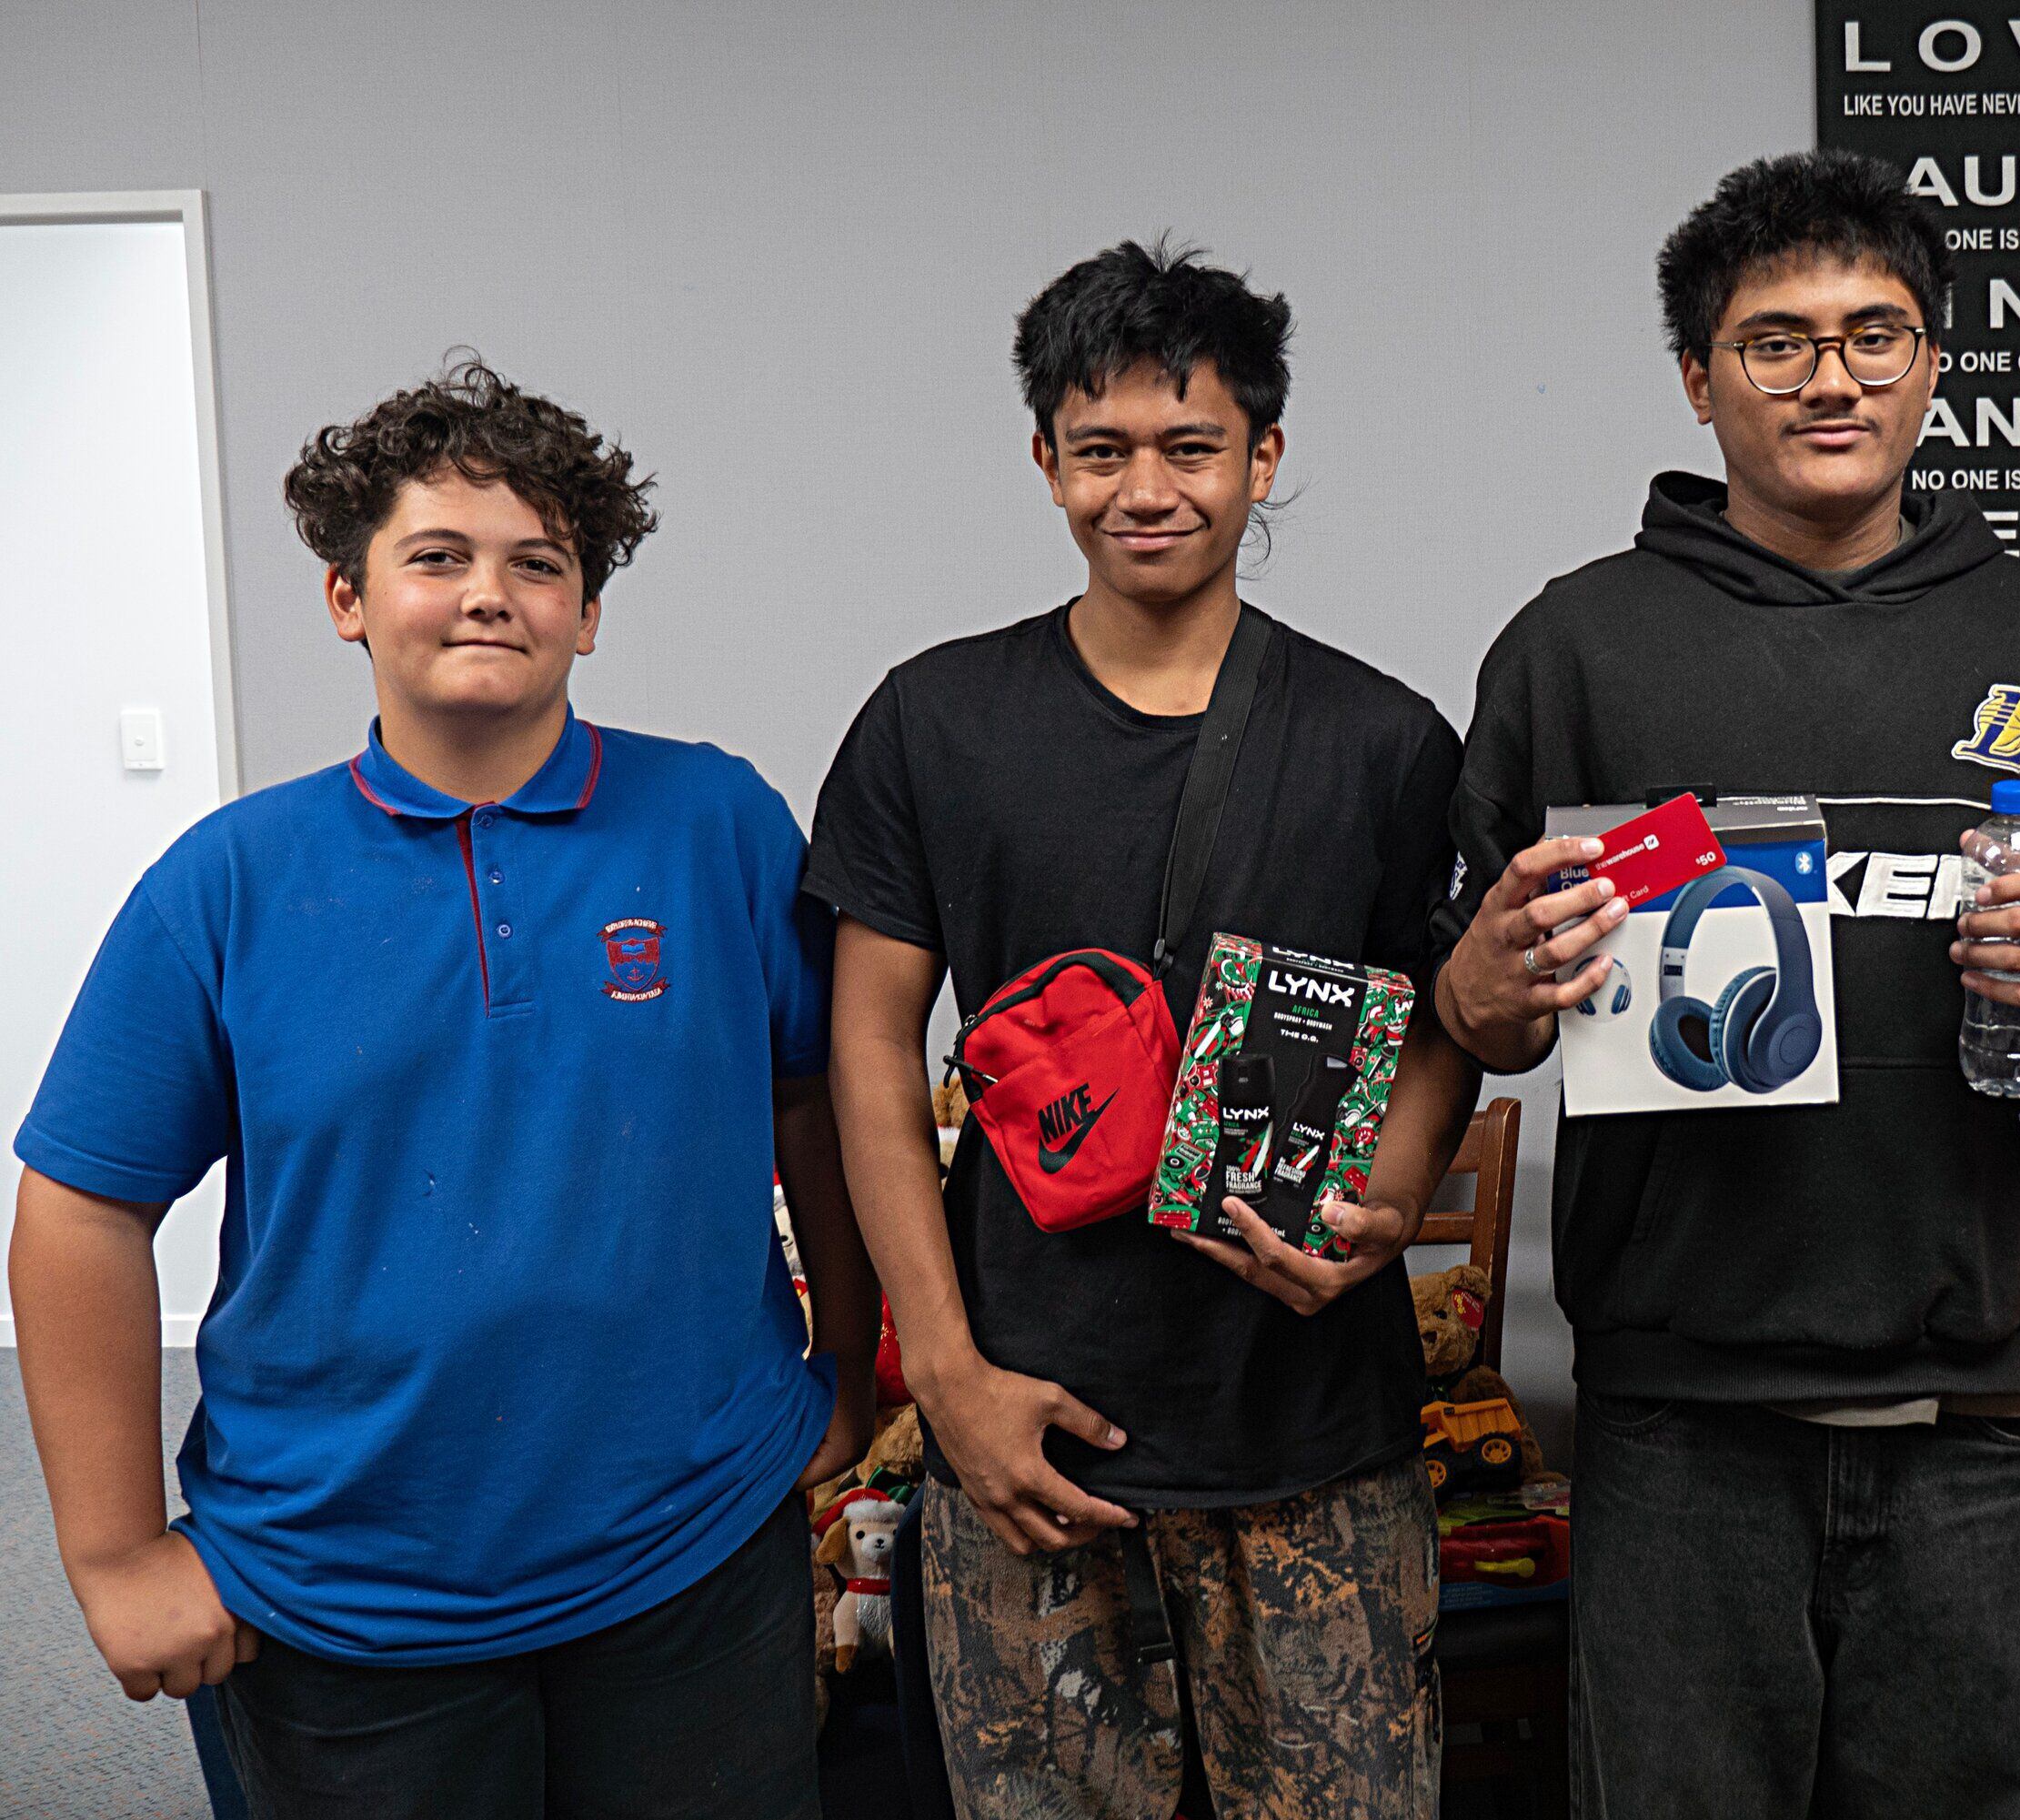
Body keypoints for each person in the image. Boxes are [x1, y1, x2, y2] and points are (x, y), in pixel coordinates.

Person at [8, 360, 876, 1819]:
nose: (491, 592)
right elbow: (81, 1206)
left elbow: (817, 1104)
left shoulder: (719, 818)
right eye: (437, 556)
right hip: (344, 1591)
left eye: (539, 563)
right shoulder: (228, 885)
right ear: (349, 598)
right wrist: (110, 1555)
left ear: (587, 613)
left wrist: (848, 1361)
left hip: (693, 1550)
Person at [1432, 148, 2020, 1818]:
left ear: (1933, 363)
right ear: (1700, 380)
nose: (1830, 376)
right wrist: (1485, 978)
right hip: (1682, 1426)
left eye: (1875, 333)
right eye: (1776, 341)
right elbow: (1471, 1012)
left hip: (1982, 1420)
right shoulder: (1578, 646)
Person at [805, 239, 1475, 1819]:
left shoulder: (1382, 740)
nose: (1147, 489)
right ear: (1044, 459)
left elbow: (1444, 1018)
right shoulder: (935, 719)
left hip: (1312, 1425)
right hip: (1033, 1433)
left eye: (1191, 445)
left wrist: (1386, 1202)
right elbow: (869, 1055)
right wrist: (948, 1379)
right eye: (1101, 450)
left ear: (1265, 454)